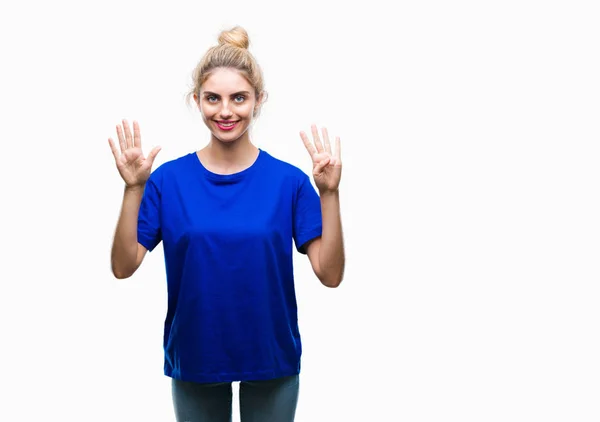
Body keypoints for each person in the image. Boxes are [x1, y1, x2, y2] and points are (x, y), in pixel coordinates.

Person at [108, 26, 345, 422]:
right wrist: (134, 188)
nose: (225, 111)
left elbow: (330, 274)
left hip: (271, 354)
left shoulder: (289, 182)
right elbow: (123, 266)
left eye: (239, 98)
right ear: (196, 100)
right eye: (212, 98)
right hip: (197, 353)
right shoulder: (168, 181)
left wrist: (331, 195)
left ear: (258, 100)